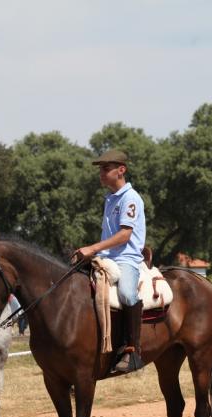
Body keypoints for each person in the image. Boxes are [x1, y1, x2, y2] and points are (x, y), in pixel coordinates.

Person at [73, 149, 146, 373]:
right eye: (100, 169)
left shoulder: (130, 198)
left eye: (106, 169)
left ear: (121, 170)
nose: (101, 173)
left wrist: (92, 248)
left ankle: (132, 350)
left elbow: (125, 235)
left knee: (126, 293)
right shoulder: (111, 199)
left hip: (127, 258)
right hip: (107, 257)